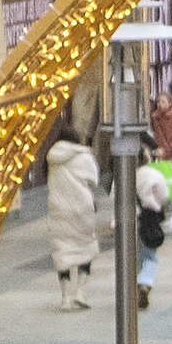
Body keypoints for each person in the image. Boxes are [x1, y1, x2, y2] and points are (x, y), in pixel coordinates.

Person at [46, 127, 101, 312]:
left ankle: (65, 298)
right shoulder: (84, 156)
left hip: (59, 208)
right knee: (86, 247)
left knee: (62, 251)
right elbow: (93, 179)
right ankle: (80, 292)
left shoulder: (51, 157)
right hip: (82, 208)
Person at [134, 158, 167, 311]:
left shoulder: (124, 175)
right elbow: (164, 195)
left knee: (134, 257)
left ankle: (133, 285)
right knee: (150, 257)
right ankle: (145, 283)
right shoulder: (154, 173)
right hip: (148, 220)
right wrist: (158, 208)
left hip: (130, 220)